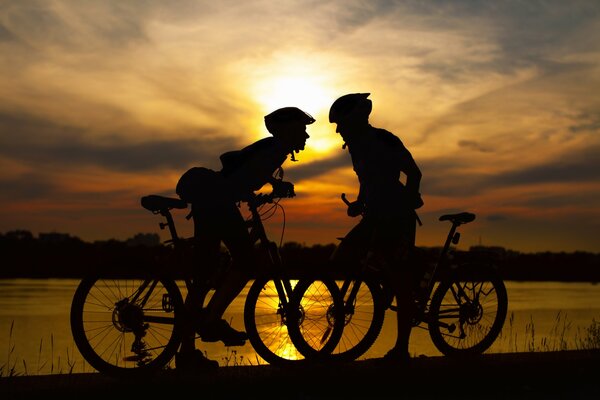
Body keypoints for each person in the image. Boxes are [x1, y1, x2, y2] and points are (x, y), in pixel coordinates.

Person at [175, 107, 315, 369]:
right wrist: (261, 189)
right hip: (216, 202)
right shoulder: (274, 149)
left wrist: (270, 185)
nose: (306, 135)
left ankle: (187, 351)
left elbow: (240, 168)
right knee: (246, 263)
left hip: (213, 200)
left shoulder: (274, 149)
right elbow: (243, 175)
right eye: (303, 129)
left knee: (203, 278)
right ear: (290, 130)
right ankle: (211, 319)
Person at [328, 93, 423, 361]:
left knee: (402, 281)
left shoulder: (385, 140)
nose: (338, 131)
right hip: (374, 216)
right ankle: (379, 289)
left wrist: (406, 201)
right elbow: (368, 181)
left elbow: (414, 173)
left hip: (397, 218)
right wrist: (359, 202)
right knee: (341, 256)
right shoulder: (356, 147)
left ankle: (402, 349)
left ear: (356, 120)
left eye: (341, 125)